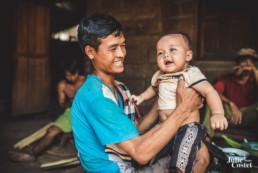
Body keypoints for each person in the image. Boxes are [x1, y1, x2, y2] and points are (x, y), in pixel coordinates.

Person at [71, 13, 209, 173]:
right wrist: (183, 109)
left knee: (200, 153)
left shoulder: (119, 88)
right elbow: (141, 153)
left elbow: (135, 131)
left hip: (130, 160)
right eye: (113, 48)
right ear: (90, 52)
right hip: (118, 169)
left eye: (123, 45)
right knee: (199, 158)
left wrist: (162, 97)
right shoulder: (96, 96)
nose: (122, 54)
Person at [130, 32, 228, 172]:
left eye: (172, 50)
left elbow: (209, 91)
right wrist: (141, 97)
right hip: (164, 126)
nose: (166, 55)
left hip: (187, 128)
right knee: (151, 152)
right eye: (160, 53)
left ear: (188, 56)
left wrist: (218, 113)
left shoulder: (190, 74)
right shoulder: (159, 75)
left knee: (181, 161)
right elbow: (152, 89)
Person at [8, 58, 86, 162]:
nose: (71, 78)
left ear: (77, 72)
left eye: (73, 75)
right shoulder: (62, 85)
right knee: (51, 131)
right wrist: (68, 103)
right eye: (68, 75)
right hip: (71, 111)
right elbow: (61, 104)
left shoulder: (86, 81)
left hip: (87, 112)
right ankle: (31, 154)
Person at [203, 48, 258, 137]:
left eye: (251, 62)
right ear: (238, 64)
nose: (247, 65)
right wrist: (231, 103)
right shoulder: (227, 78)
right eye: (244, 61)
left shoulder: (254, 79)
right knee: (211, 101)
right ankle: (207, 136)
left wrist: (255, 72)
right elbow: (214, 91)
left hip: (249, 115)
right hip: (230, 115)